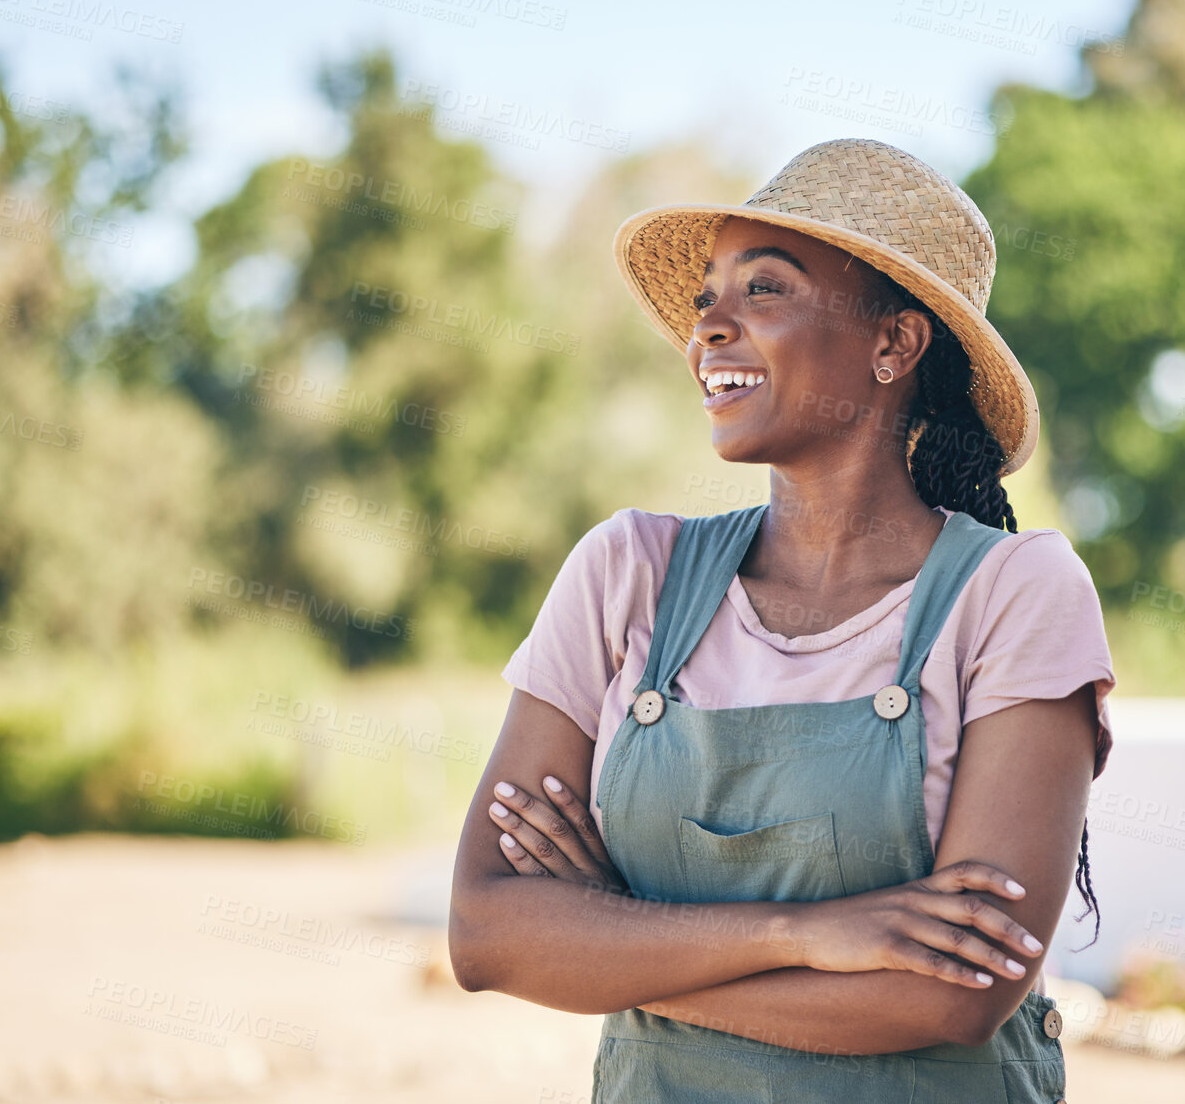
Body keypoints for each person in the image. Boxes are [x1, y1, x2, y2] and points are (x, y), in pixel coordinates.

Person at [449, 137, 1117, 1102]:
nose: (708, 329)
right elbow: (484, 933)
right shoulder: (626, 572)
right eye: (703, 299)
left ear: (894, 344)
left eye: (764, 289)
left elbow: (957, 994)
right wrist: (804, 934)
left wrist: (619, 939)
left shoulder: (1014, 592)